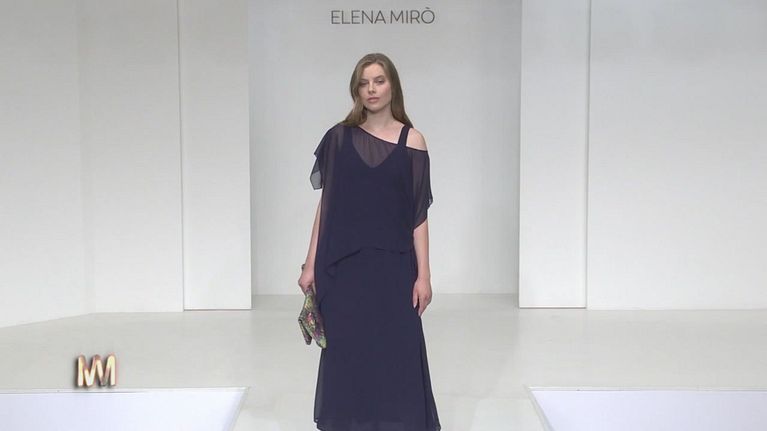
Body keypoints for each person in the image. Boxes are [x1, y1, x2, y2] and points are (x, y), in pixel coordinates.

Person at [298, 53, 441, 431]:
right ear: (356, 90)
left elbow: (418, 215)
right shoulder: (338, 138)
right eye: (364, 83)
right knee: (348, 352)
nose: (372, 89)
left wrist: (424, 275)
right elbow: (326, 205)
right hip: (343, 267)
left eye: (379, 81)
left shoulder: (413, 141)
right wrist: (310, 264)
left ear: (393, 86)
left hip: (394, 267)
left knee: (397, 351)